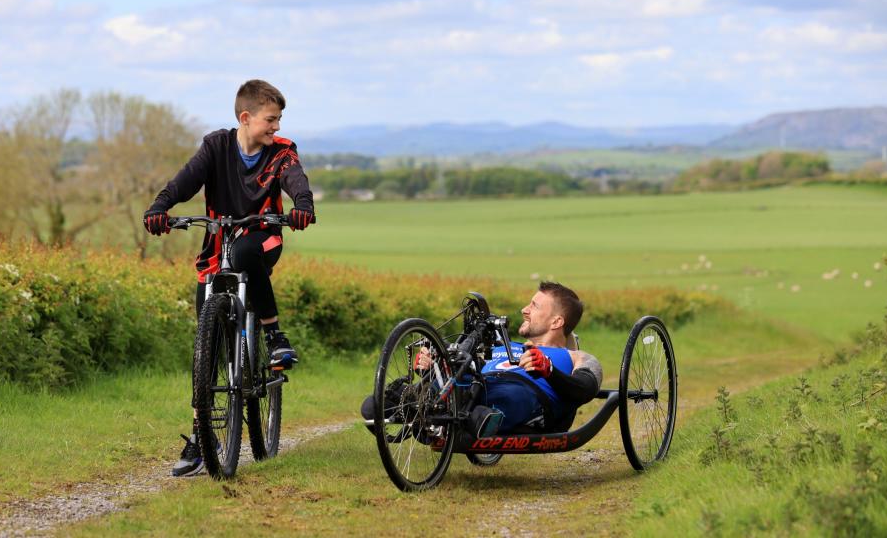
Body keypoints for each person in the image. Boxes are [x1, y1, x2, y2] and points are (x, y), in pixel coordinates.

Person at [143, 79, 315, 476]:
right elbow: (186, 179)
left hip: (263, 236)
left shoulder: (282, 153)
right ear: (246, 117)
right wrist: (160, 206)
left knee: (244, 252)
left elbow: (295, 182)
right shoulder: (216, 146)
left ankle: (274, 335)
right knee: (207, 342)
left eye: (278, 120)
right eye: (270, 120)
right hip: (216, 246)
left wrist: (302, 205)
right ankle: (202, 437)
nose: (276, 127)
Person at [364, 282, 602, 437]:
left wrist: (548, 369)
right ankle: (427, 405)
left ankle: (448, 419)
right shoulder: (504, 346)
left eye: (534, 305)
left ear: (556, 322)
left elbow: (586, 388)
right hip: (481, 384)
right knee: (372, 405)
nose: (524, 309)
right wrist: (433, 366)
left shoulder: (574, 356)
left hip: (526, 395)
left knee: (510, 396)